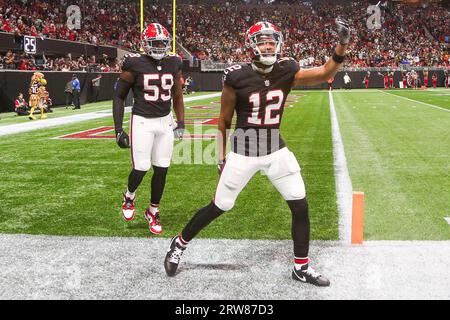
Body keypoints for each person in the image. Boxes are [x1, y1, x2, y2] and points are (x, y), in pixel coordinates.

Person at [164, 18, 351, 287]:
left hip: (275, 148)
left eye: (271, 41)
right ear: (251, 46)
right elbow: (223, 120)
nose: (267, 46)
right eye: (262, 42)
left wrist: (342, 44)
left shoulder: (287, 69)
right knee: (220, 205)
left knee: (299, 203)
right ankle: (179, 243)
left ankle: (301, 267)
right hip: (243, 151)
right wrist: (220, 156)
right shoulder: (236, 76)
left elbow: (324, 72)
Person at [112, 23, 185, 235]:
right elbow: (119, 96)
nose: (161, 47)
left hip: (165, 120)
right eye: (156, 43)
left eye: (164, 43)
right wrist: (118, 128)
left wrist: (181, 123)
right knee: (141, 168)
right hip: (142, 120)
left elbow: (178, 95)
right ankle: (129, 195)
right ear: (145, 44)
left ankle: (153, 211)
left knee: (162, 168)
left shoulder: (174, 62)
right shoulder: (134, 63)